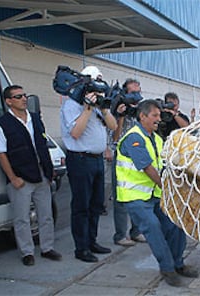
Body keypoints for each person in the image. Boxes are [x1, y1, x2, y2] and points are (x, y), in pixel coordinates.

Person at [115, 99, 198, 287]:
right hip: (135, 196)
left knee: (175, 224)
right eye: (155, 115)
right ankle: (167, 268)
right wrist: (166, 187)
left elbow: (165, 166)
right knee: (153, 228)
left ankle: (178, 264)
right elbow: (147, 168)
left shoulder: (156, 139)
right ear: (142, 116)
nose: (158, 119)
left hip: (154, 195)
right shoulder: (134, 138)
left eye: (159, 116)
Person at [0, 85, 62, 266]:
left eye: (25, 95)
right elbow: (1, 153)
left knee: (46, 214)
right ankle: (27, 252)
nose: (24, 99)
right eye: (18, 96)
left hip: (42, 175)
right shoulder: (2, 124)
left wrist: (49, 169)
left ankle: (47, 248)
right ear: (9, 101)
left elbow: (42, 143)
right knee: (22, 218)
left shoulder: (35, 119)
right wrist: (13, 178)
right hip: (21, 177)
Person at [60, 65, 117, 263]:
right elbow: (75, 133)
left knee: (96, 205)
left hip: (97, 159)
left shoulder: (99, 105)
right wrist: (87, 108)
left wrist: (103, 108)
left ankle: (92, 241)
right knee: (81, 206)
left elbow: (113, 126)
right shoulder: (71, 105)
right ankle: (81, 247)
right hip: (80, 159)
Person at [111, 78, 146, 247]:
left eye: (138, 93)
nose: (136, 97)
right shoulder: (118, 110)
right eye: (133, 93)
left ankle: (137, 231)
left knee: (138, 195)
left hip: (137, 158)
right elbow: (115, 136)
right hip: (122, 159)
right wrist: (121, 115)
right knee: (122, 200)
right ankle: (120, 235)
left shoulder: (140, 111)